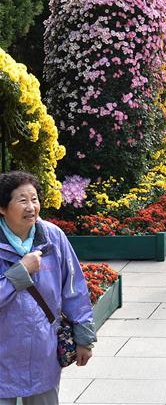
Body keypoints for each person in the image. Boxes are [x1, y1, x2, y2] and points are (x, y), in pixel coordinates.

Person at [0, 172, 95, 405]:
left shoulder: (53, 237)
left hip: (43, 348)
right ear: (2, 207)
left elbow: (74, 289)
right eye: (22, 200)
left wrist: (84, 337)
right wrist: (21, 272)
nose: (31, 207)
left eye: (34, 199)